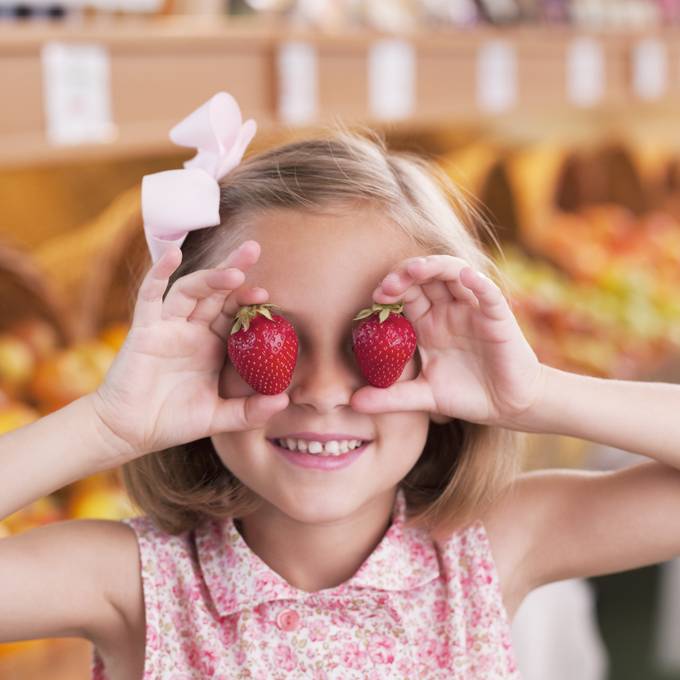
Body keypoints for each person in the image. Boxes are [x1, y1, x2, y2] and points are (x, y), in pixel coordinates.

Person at [1, 91, 679, 680]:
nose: (324, 390)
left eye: (373, 341)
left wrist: (531, 396)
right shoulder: (134, 584)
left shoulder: (489, 546)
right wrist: (106, 426)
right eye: (267, 334)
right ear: (205, 355)